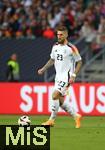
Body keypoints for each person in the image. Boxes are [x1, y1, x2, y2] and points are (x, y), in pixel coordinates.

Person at [38, 26, 82, 128]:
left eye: (61, 34)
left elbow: (79, 62)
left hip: (67, 77)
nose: (59, 36)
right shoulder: (55, 46)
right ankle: (76, 116)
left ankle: (51, 120)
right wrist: (43, 69)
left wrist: (74, 75)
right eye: (58, 34)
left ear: (66, 35)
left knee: (54, 95)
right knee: (60, 101)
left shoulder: (71, 48)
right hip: (58, 77)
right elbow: (52, 59)